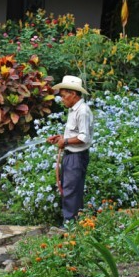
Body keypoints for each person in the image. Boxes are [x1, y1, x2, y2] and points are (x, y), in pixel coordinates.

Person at [47, 75, 94, 225]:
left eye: (63, 96)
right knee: (70, 190)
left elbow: (84, 137)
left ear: (73, 94)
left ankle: (69, 226)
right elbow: (76, 133)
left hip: (76, 157)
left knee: (70, 191)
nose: (62, 99)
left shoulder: (82, 111)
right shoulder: (74, 109)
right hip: (71, 155)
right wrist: (61, 138)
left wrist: (65, 141)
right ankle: (75, 224)